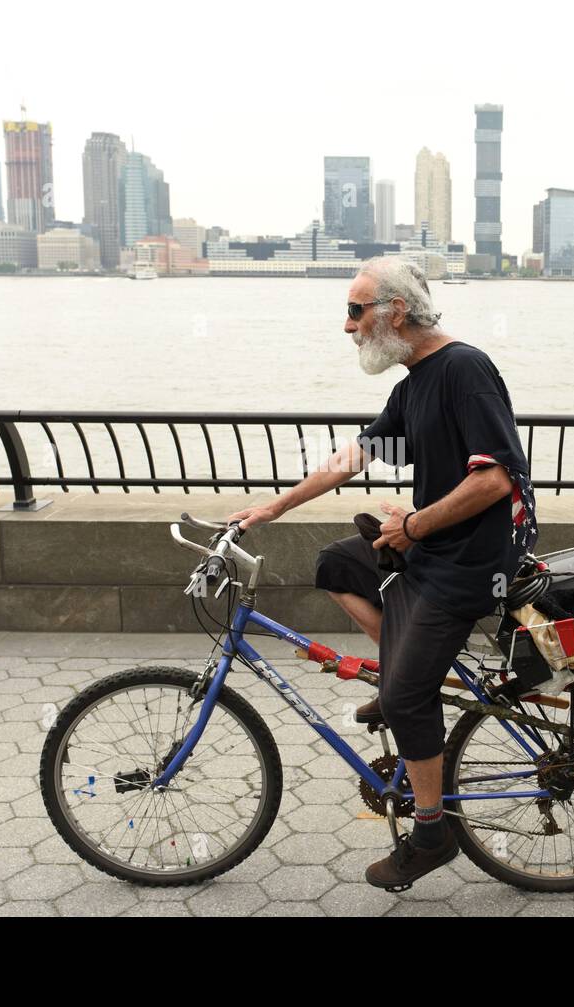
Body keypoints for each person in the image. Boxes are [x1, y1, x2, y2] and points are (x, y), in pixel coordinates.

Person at [227, 256, 536, 890]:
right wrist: (274, 506)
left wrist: (414, 526)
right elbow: (354, 458)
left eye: (355, 310)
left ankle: (431, 832)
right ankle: (407, 668)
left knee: (404, 701)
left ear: (396, 310)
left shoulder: (464, 370)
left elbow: (496, 478)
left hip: (474, 562)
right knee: (336, 563)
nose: (348, 327)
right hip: (435, 548)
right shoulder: (414, 383)